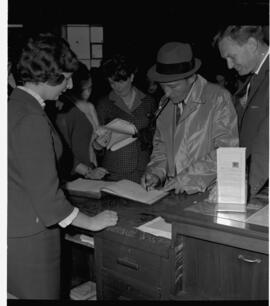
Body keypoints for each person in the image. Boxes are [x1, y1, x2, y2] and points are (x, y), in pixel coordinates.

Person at [8, 33, 118, 300]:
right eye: (66, 78)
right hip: (32, 239)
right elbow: (48, 201)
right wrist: (91, 222)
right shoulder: (31, 119)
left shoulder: (13, 106)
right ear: (48, 76)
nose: (69, 86)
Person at [141, 42, 239, 194]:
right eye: (163, 86)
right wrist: (156, 173)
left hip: (207, 192)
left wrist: (186, 179)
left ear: (192, 78)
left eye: (173, 86)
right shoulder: (165, 104)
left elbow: (226, 152)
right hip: (171, 191)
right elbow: (161, 147)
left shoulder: (218, 98)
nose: (166, 93)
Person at [214, 25, 269, 200]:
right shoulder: (256, 76)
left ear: (252, 44)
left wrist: (244, 187)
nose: (229, 65)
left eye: (231, 56)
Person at [96, 54, 157, 183]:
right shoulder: (104, 104)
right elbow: (95, 146)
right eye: (112, 82)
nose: (117, 87)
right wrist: (97, 144)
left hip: (143, 168)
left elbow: (156, 137)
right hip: (114, 171)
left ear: (131, 77)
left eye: (121, 81)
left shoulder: (148, 102)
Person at [55, 61, 110, 181]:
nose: (88, 93)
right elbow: (61, 151)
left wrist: (99, 145)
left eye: (90, 87)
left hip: (91, 169)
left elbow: (92, 145)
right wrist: (87, 172)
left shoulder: (90, 106)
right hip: (74, 175)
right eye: (84, 89)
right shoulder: (65, 111)